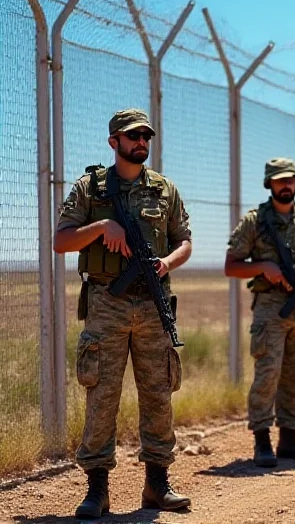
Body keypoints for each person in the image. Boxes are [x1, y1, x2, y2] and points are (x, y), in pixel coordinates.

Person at [54, 109, 192, 519]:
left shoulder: (164, 189)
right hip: (106, 303)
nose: (141, 143)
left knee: (159, 394)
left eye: (146, 136)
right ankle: (98, 490)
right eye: (133, 137)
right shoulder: (89, 188)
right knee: (102, 396)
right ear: (114, 141)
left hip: (153, 302)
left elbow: (185, 241)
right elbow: (61, 241)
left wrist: (167, 262)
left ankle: (157, 484)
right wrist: (102, 229)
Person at [225, 158, 295, 467]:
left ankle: (289, 439)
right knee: (267, 374)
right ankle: (262, 441)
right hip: (270, 310)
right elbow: (231, 266)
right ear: (269, 184)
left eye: (290, 180)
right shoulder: (254, 221)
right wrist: (264, 267)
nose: (285, 185)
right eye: (278, 181)